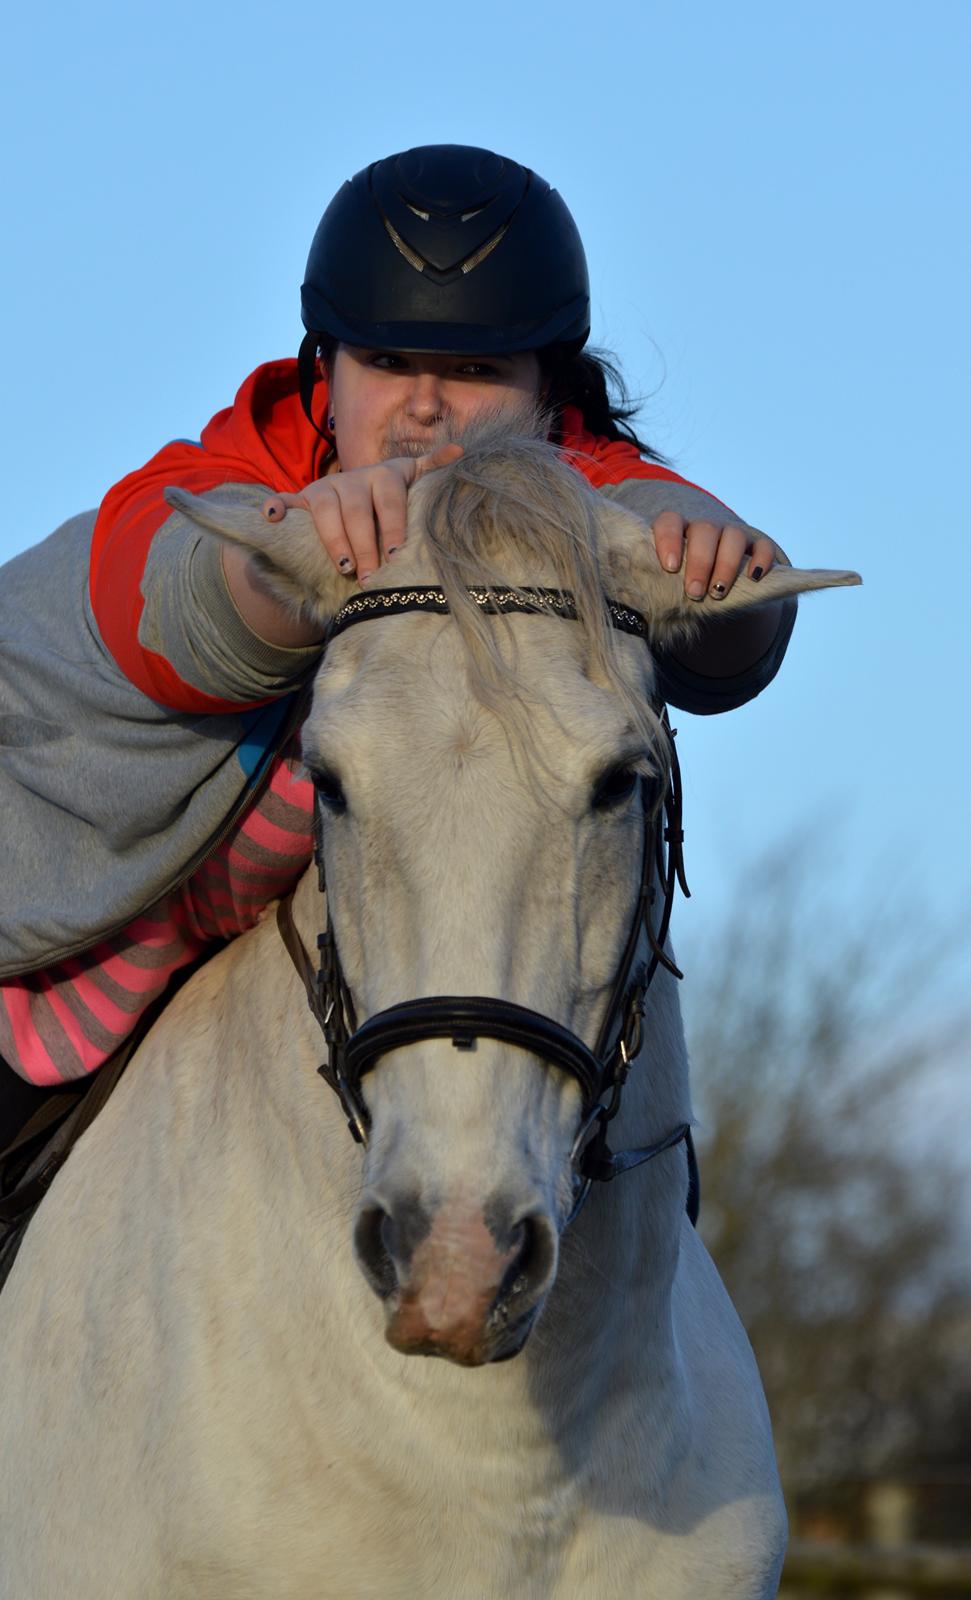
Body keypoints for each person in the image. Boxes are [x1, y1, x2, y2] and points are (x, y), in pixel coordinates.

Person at [0, 143, 794, 1170]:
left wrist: (708, 555)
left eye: (474, 372)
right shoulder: (250, 462)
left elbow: (643, 521)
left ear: (547, 391)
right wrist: (286, 560)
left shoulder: (563, 487)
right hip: (63, 956)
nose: (425, 406)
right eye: (386, 363)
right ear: (322, 369)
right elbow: (157, 596)